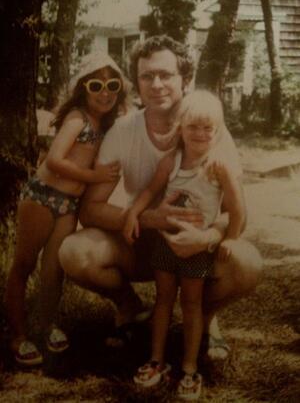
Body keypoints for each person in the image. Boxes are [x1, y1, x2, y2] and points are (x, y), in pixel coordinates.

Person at [58, 35, 262, 361]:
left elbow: (238, 213)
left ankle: (207, 320)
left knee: (248, 263)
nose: (156, 84)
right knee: (74, 252)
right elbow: (91, 209)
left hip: (198, 246)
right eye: (146, 76)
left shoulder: (210, 130)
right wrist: (150, 218)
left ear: (185, 79)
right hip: (143, 244)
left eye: (165, 75)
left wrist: (207, 236)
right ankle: (130, 309)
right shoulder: (124, 131)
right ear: (137, 82)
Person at [5, 51, 127, 366]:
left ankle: (46, 325)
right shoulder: (77, 118)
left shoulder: (106, 125)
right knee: (24, 264)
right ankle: (18, 335)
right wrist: (94, 176)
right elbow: (56, 161)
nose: (105, 92)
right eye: (96, 86)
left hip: (69, 204)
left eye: (112, 85)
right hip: (43, 197)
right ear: (82, 88)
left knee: (53, 270)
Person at [123, 89, 245, 398]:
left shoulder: (218, 167)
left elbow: (237, 210)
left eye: (208, 128)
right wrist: (135, 213)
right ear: (181, 127)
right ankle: (156, 361)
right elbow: (150, 191)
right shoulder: (171, 161)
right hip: (166, 241)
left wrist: (227, 237)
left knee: (191, 304)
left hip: (196, 248)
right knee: (163, 300)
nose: (200, 134)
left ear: (217, 131)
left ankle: (190, 368)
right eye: (193, 126)